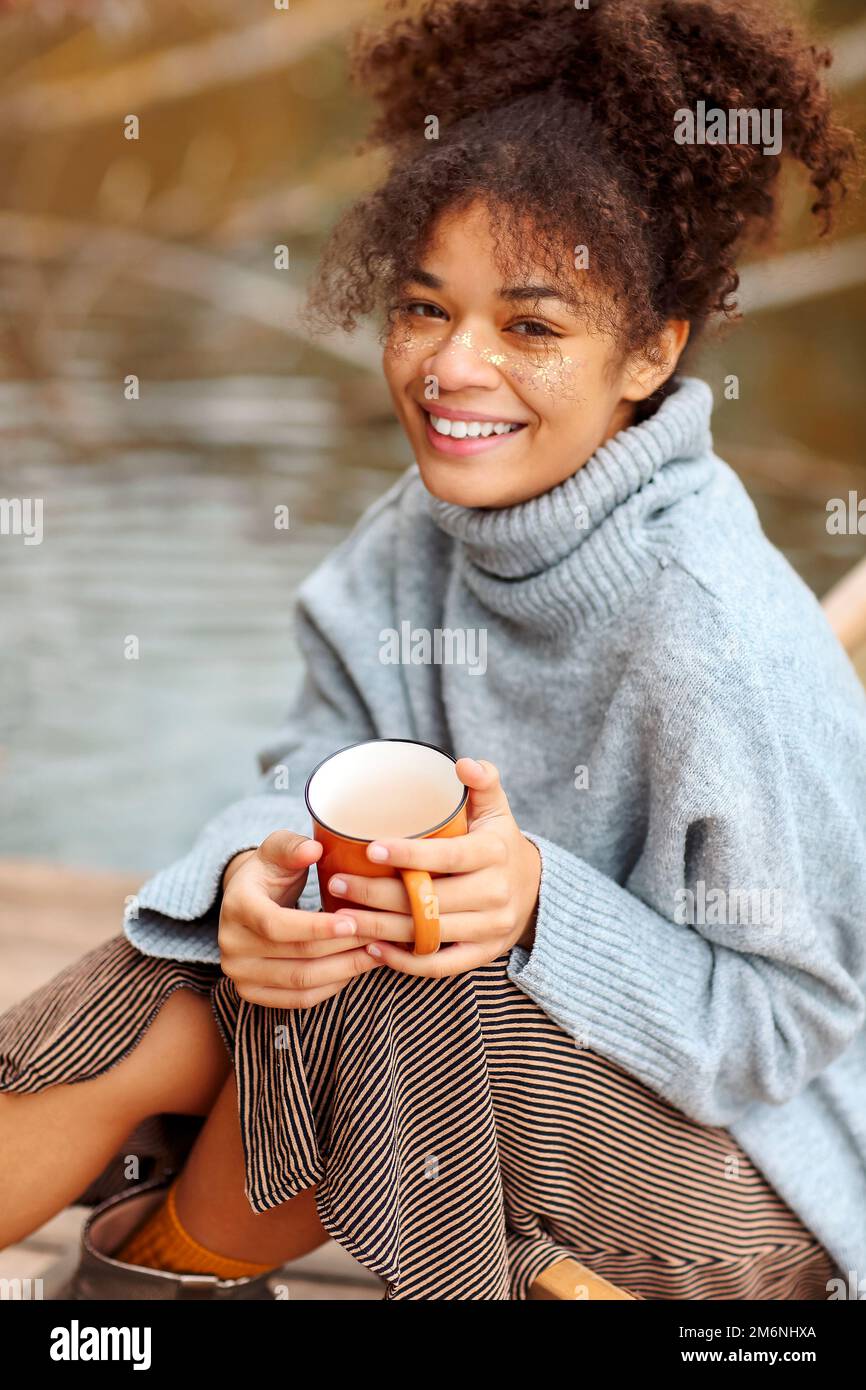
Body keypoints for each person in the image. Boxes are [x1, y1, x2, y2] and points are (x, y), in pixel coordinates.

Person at [1, 0, 864, 1301]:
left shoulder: (714, 631)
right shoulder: (417, 536)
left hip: (758, 1196)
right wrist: (248, 880)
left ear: (649, 352)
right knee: (184, 960)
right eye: (422, 306)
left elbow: (789, 1030)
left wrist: (535, 910)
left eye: (530, 326)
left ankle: (135, 1300)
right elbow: (308, 763)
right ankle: (124, 1305)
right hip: (480, 1065)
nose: (452, 368)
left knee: (386, 977)